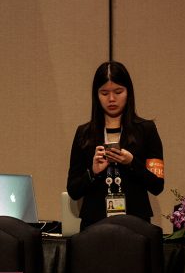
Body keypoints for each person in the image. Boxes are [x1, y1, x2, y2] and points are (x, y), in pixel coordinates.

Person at [66, 61, 164, 229]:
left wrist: (132, 163)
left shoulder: (146, 130)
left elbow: (157, 186)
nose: (111, 99)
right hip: (94, 225)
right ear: (96, 95)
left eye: (118, 92)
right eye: (104, 93)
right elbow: (73, 191)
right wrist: (93, 172)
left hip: (136, 225)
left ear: (128, 92)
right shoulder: (84, 133)